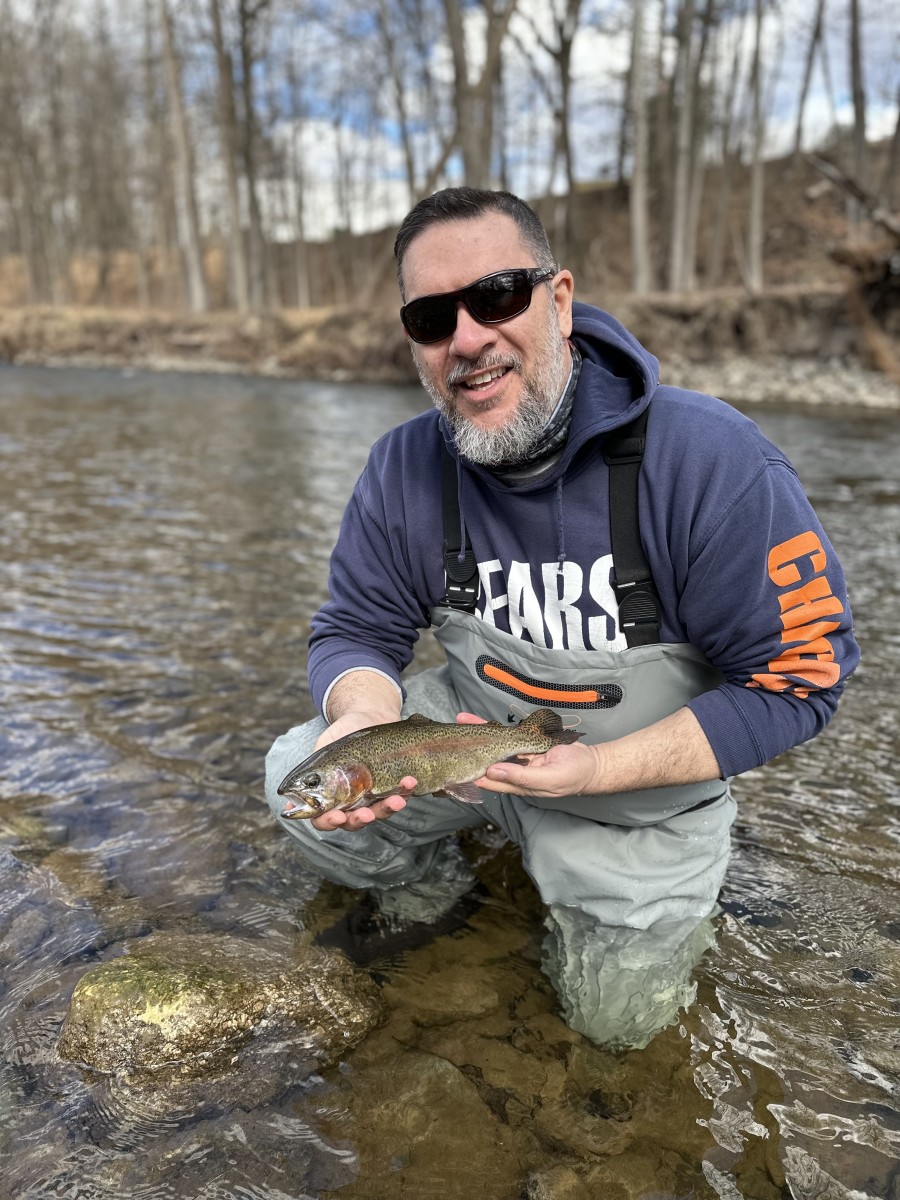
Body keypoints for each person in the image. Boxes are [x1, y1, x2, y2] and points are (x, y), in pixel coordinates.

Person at [265, 187, 859, 1049]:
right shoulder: (401, 468)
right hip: (467, 755)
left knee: (618, 1032)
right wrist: (363, 723)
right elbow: (357, 627)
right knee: (295, 781)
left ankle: (670, 889)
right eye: (433, 317)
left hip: (634, 799)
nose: (468, 337)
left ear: (561, 300)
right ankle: (437, 894)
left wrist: (595, 772)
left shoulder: (712, 462)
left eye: (498, 294)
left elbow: (802, 683)